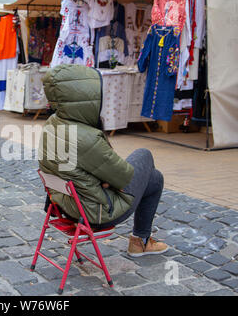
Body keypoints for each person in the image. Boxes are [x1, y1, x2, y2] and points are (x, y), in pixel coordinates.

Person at [39, 64, 168, 258]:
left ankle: (140, 242)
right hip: (96, 212)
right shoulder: (85, 137)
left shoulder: (53, 124)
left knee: (154, 178)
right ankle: (140, 241)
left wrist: (105, 179)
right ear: (83, 98)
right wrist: (109, 180)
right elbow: (123, 177)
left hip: (66, 205)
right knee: (144, 154)